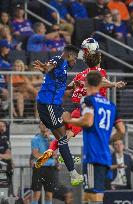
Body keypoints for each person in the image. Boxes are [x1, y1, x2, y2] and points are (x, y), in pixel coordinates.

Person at [63, 71, 125, 201]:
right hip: (106, 156)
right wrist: (106, 139)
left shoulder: (88, 100)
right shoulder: (111, 105)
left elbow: (87, 121)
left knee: (91, 195)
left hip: (92, 155)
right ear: (100, 84)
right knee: (96, 193)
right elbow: (121, 131)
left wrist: (69, 120)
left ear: (86, 83)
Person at [33, 44, 83, 186]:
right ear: (70, 55)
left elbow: (58, 84)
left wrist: (71, 87)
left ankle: (47, 156)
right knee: (62, 138)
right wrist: (44, 68)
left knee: (68, 127)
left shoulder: (64, 67)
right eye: (75, 59)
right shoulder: (58, 60)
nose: (75, 62)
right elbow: (49, 67)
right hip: (48, 105)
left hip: (54, 106)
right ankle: (73, 173)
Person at [31, 122, 56, 204]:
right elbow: (35, 154)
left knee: (49, 194)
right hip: (39, 168)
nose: (45, 125)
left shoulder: (53, 139)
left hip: (50, 168)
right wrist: (49, 155)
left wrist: (49, 139)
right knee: (36, 194)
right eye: (42, 124)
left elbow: (55, 154)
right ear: (39, 126)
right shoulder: (35, 139)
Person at [0, 120, 13, 195]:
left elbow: (9, 156)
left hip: (6, 169)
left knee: (7, 191)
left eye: (3, 126)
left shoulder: (6, 139)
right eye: (0, 126)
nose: (2, 128)